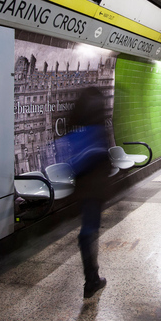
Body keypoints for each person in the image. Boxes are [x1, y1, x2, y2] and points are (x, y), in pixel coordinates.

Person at [65, 86, 112, 298]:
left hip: (81, 187)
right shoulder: (98, 127)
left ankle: (92, 277)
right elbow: (105, 160)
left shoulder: (74, 125)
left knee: (89, 228)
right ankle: (91, 279)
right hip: (95, 187)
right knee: (89, 231)